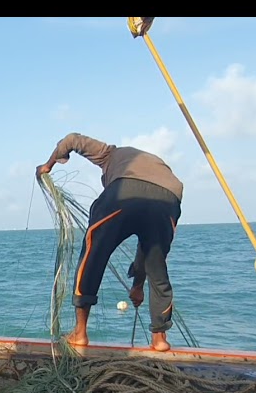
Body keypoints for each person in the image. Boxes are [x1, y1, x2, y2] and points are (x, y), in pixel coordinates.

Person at [36, 132, 184, 352]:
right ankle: (160, 340)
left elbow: (73, 139)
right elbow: (146, 248)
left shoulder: (109, 153)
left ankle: (80, 333)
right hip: (169, 198)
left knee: (92, 255)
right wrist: (137, 286)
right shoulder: (158, 165)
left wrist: (47, 166)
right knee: (158, 268)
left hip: (125, 192)